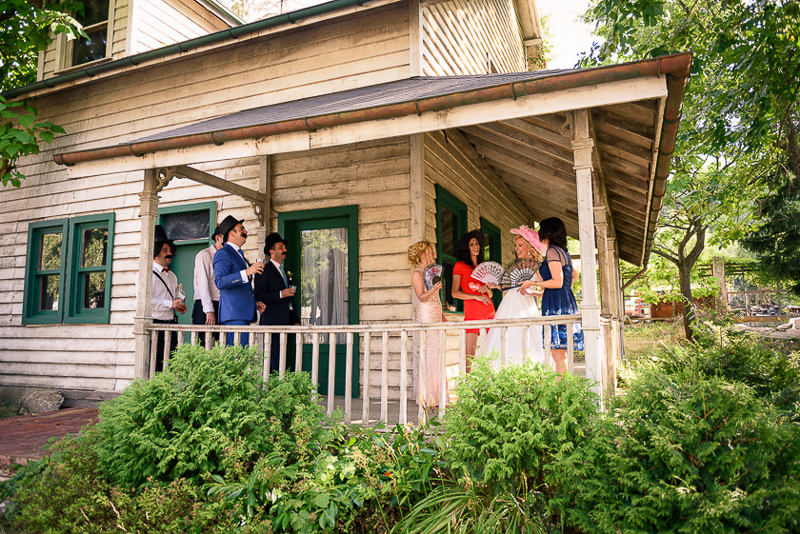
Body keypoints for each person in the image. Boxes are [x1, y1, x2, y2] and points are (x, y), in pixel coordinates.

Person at [519, 217, 583, 375]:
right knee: (561, 354)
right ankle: (564, 391)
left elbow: (558, 282)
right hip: (563, 303)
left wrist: (532, 283)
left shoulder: (553, 251)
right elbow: (574, 276)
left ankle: (562, 395)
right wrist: (537, 291)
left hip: (558, 308)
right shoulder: (564, 253)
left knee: (558, 354)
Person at [484, 226, 547, 368]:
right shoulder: (517, 265)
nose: (517, 249)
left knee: (525, 340)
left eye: (520, 245)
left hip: (526, 309)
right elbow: (511, 290)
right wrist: (497, 286)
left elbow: (545, 291)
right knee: (504, 338)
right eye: (515, 246)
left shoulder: (538, 266)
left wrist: (532, 292)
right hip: (507, 307)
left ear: (530, 247)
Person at [213, 215, 265, 346]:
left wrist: (254, 302)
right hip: (233, 314)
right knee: (235, 359)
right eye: (242, 229)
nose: (246, 232)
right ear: (231, 234)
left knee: (241, 360)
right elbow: (220, 281)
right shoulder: (223, 253)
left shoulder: (240, 255)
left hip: (243, 314)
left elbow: (241, 287)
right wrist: (247, 272)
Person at [408, 240, 447, 408]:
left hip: (436, 314)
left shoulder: (431, 272)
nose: (433, 255)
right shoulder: (417, 274)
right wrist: (433, 289)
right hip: (426, 316)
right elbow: (421, 297)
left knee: (438, 355)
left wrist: (443, 315)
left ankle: (438, 397)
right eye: (430, 252)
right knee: (430, 355)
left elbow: (436, 298)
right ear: (422, 254)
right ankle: (428, 397)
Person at [254, 232, 300, 374]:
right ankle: (273, 389)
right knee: (274, 356)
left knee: (285, 355)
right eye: (281, 247)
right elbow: (258, 295)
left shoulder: (285, 272)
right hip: (272, 320)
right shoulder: (264, 270)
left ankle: (284, 386)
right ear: (271, 251)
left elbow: (290, 300)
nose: (284, 250)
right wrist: (280, 294)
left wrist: (295, 320)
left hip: (287, 320)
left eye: (284, 247)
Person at [451, 230, 495, 366]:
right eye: (471, 244)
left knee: (493, 350)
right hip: (472, 311)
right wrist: (475, 297)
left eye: (477, 244)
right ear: (466, 247)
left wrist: (487, 290)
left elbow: (491, 294)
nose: (476, 246)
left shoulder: (483, 267)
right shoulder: (460, 266)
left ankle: (491, 382)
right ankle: (467, 384)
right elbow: (454, 293)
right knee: (469, 355)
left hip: (489, 310)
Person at [151, 225, 186, 372]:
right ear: (155, 253)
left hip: (171, 326)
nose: (169, 253)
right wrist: (170, 304)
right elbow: (145, 303)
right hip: (155, 326)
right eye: (165, 250)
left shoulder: (172, 276)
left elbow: (176, 297)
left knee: (171, 367)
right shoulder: (147, 274)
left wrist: (179, 304)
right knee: (155, 367)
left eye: (170, 250)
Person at [192, 225, 223, 346]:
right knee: (202, 346)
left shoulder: (227, 257)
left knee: (222, 346)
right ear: (217, 238)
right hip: (205, 305)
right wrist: (209, 310)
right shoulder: (205, 255)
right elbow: (202, 283)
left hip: (222, 305)